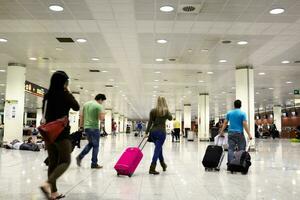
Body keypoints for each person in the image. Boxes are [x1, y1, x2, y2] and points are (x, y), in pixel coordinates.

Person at [40, 71, 80, 200]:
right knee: (65, 161)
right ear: (64, 82)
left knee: (53, 162)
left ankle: (53, 193)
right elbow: (76, 107)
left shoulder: (47, 95)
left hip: (48, 132)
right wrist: (68, 92)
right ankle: (47, 184)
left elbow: (44, 113)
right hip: (61, 132)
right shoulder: (65, 94)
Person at [76, 94, 106, 169]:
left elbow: (81, 116)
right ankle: (94, 163)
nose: (102, 103)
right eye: (102, 101)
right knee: (96, 146)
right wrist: (103, 114)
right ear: (100, 99)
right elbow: (101, 118)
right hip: (94, 128)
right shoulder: (99, 106)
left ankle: (80, 157)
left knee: (91, 144)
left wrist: (81, 126)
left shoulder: (86, 104)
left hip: (87, 128)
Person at [219, 100, 253, 167]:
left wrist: (221, 131)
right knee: (241, 149)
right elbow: (245, 125)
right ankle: (240, 163)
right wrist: (249, 134)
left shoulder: (229, 113)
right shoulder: (242, 114)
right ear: (241, 105)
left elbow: (225, 123)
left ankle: (230, 164)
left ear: (234, 105)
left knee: (230, 149)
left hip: (231, 133)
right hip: (239, 134)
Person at [145, 96, 172, 175]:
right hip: (161, 132)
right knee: (157, 149)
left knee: (158, 147)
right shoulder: (166, 111)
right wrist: (167, 110)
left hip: (153, 132)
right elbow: (170, 118)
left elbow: (150, 122)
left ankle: (163, 164)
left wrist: (146, 132)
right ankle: (152, 168)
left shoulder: (153, 111)